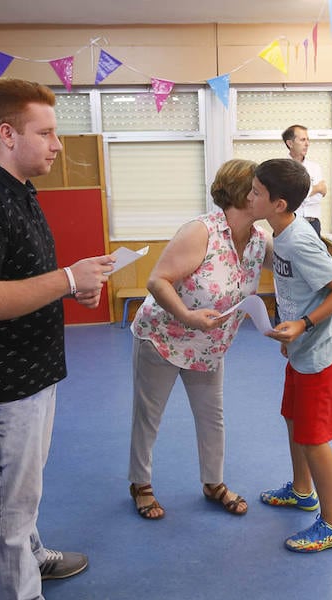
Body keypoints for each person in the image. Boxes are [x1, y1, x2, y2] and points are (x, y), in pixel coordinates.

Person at [0, 77, 114, 599]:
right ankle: (21, 592)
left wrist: (70, 284)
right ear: (7, 134)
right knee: (9, 499)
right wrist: (64, 279)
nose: (58, 145)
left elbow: (14, 275)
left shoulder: (16, 189)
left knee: (24, 488)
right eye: (48, 133)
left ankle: (33, 555)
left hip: (31, 370)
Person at [128, 158, 272, 520]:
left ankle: (213, 482)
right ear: (242, 194)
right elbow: (157, 280)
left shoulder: (258, 241)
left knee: (212, 417)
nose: (264, 196)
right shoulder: (201, 231)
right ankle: (140, 483)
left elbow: (292, 261)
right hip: (164, 337)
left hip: (210, 347)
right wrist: (187, 316)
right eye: (258, 190)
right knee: (149, 416)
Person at [252, 158, 332, 553]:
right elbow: (293, 287)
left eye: (257, 192)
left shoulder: (298, 239)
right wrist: (289, 328)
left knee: (314, 438)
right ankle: (301, 491)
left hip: (323, 351)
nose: (250, 196)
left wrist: (304, 325)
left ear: (279, 204)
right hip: (301, 346)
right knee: (293, 418)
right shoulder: (279, 235)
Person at [282, 124, 327, 236]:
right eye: (302, 140)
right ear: (290, 143)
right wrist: (316, 188)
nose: (307, 144)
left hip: (313, 223)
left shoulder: (315, 167)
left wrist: (302, 194)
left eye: (308, 140)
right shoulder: (282, 167)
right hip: (290, 223)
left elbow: (322, 194)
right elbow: (290, 197)